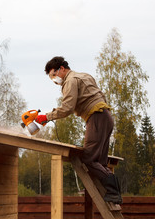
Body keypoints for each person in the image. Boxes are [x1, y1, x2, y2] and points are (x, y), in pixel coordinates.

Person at [35, 56, 122, 204]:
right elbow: (100, 96)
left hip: (96, 117)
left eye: (54, 75)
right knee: (100, 161)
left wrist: (47, 117)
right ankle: (112, 193)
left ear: (61, 69)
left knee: (88, 159)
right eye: (51, 77)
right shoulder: (84, 76)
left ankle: (114, 192)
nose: (54, 80)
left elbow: (67, 108)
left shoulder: (70, 81)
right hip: (105, 116)